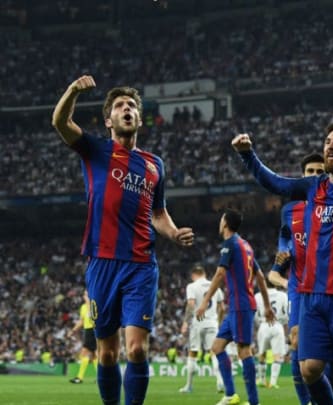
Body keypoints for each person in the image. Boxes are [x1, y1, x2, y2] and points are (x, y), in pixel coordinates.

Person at [52, 75, 194, 405]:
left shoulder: (154, 165)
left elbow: (158, 212)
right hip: (101, 262)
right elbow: (59, 121)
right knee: (106, 355)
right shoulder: (95, 150)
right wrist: (73, 90)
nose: (126, 109)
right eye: (119, 106)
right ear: (109, 120)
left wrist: (172, 232)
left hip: (141, 264)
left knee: (137, 348)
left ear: (139, 118)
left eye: (131, 106)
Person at [232, 122, 333, 405]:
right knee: (310, 368)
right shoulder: (311, 188)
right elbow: (276, 183)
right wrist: (248, 155)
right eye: (327, 141)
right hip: (311, 293)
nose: (330, 146)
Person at [196, 209, 275, 405]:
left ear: (225, 224)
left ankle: (254, 401)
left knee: (244, 351)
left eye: (221, 218)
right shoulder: (245, 245)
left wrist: (205, 301)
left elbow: (220, 274)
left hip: (241, 305)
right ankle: (231, 394)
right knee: (217, 347)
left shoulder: (230, 244)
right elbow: (261, 277)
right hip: (238, 307)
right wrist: (266, 306)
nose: (219, 221)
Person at [266, 153, 325, 404]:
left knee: (332, 357)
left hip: (330, 285)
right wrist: (284, 253)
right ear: (302, 176)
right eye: (309, 171)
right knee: (296, 343)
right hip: (299, 287)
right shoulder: (289, 210)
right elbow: (284, 241)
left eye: (318, 171)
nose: (313, 176)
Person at [179, 265, 226, 394]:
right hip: (212, 323)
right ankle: (220, 382)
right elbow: (222, 308)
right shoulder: (215, 286)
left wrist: (185, 322)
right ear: (204, 273)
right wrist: (219, 322)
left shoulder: (192, 286)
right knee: (214, 353)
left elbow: (191, 304)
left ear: (194, 275)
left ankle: (188, 386)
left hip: (197, 323)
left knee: (193, 352)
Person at [254, 279, 289, 389]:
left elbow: (255, 314)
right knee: (277, 355)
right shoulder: (283, 295)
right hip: (277, 325)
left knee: (262, 353)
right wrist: (283, 323)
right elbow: (286, 313)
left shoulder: (258, 296)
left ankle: (261, 379)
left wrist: (259, 324)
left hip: (263, 325)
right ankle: (273, 382)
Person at [70, 289, 97, 384]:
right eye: (84, 294)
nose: (84, 296)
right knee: (94, 356)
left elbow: (91, 316)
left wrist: (88, 301)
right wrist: (73, 330)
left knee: (84, 353)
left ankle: (79, 377)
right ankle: (100, 377)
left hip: (92, 330)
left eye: (86, 294)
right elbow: (81, 321)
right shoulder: (83, 307)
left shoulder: (94, 305)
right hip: (87, 330)